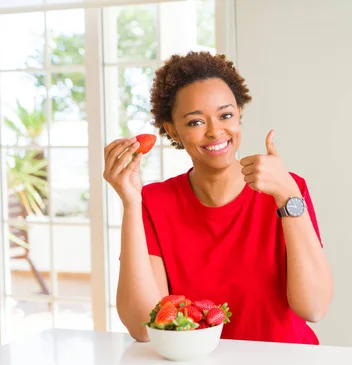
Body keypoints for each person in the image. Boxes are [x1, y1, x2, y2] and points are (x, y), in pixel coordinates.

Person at [103, 51, 333, 344]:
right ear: (172, 130)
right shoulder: (152, 202)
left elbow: (313, 308)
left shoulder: (285, 189)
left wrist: (288, 196)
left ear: (239, 115)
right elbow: (143, 326)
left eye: (226, 115)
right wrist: (131, 203)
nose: (215, 132)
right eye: (195, 122)